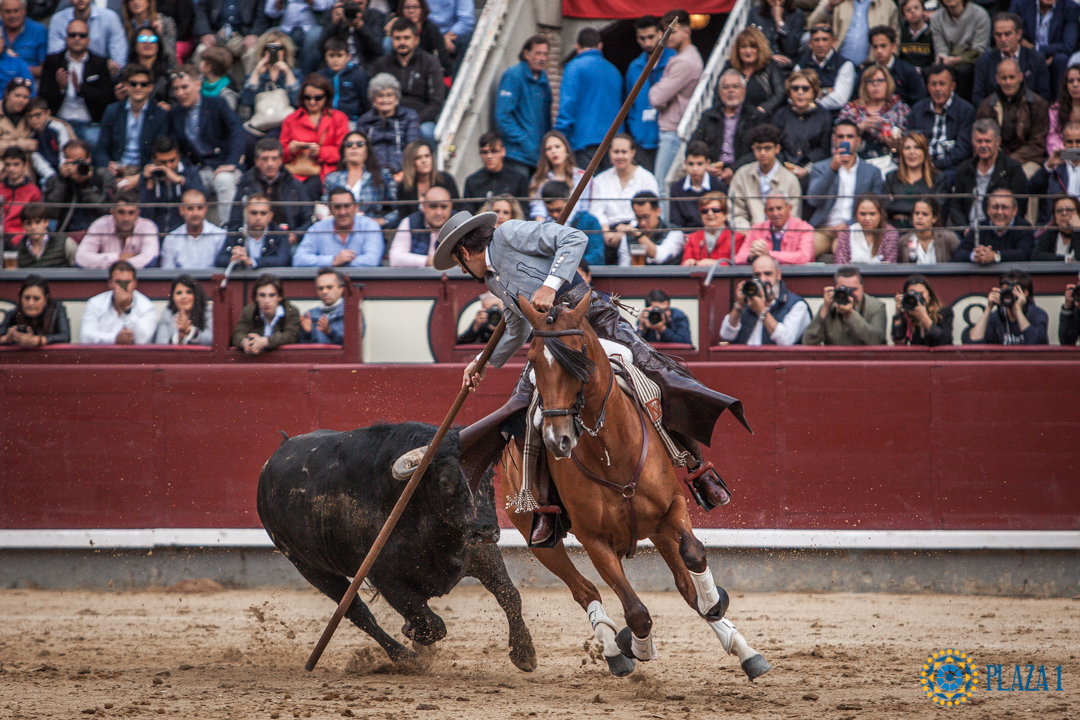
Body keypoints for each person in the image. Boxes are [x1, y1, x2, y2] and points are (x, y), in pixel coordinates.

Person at [434, 209, 748, 539]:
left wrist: (550, 286)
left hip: (592, 318)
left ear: (464, 252)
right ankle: (544, 507)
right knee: (524, 413)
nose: (461, 269)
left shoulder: (509, 233)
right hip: (550, 339)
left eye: (458, 262)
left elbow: (574, 238)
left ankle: (699, 470)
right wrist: (483, 361)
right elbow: (514, 326)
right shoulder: (492, 281)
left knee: (657, 374)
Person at [167, 65, 244, 226]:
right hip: (196, 170)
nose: (180, 93)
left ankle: (230, 232)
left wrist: (232, 162)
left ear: (198, 84)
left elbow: (237, 130)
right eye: (176, 89)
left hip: (221, 166)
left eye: (184, 87)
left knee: (224, 180)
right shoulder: (175, 114)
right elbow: (176, 147)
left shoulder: (217, 104)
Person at [806, 119, 886, 258]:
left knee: (841, 249)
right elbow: (813, 200)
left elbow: (876, 208)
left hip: (857, 227)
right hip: (825, 228)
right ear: (834, 140)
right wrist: (832, 169)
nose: (845, 140)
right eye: (841, 137)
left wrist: (849, 225)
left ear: (858, 141)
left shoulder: (872, 172)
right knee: (807, 251)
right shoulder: (821, 167)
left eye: (850, 137)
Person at [554, 27, 622, 170]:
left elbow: (567, 105)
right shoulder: (614, 71)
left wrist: (559, 137)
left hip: (584, 142)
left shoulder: (574, 68)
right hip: (614, 143)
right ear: (600, 46)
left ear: (576, 46)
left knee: (588, 189)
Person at [40, 20, 115, 146]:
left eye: (82, 35)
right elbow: (43, 96)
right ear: (66, 38)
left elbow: (106, 98)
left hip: (89, 122)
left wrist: (81, 89)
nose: (77, 38)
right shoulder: (53, 61)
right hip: (60, 120)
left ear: (88, 39)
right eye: (72, 35)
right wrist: (61, 88)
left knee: (95, 140)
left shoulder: (99, 63)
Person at [649, 9, 702, 185]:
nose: (667, 36)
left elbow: (656, 97)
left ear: (687, 31)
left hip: (673, 131)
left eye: (673, 31)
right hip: (672, 128)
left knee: (664, 186)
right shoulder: (682, 57)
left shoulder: (685, 61)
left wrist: (659, 93)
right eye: (665, 31)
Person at [975, 57, 1049, 183]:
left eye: (1012, 77)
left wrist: (1010, 162)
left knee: (1023, 180)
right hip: (993, 159)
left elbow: (1037, 144)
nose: (1008, 82)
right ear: (997, 79)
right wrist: (999, 161)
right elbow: (980, 139)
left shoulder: (1037, 104)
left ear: (1020, 77)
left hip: (1027, 161)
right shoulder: (987, 106)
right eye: (1004, 78)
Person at [95, 65, 168, 190]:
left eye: (143, 84)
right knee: (100, 175)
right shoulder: (112, 111)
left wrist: (140, 177)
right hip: (116, 169)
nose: (138, 88)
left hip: (144, 169)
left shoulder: (160, 114)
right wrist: (109, 165)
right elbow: (101, 148)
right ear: (125, 85)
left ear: (150, 87)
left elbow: (160, 153)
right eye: (133, 83)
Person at [372, 18, 444, 141]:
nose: (402, 42)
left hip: (421, 120)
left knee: (427, 133)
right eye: (397, 38)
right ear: (392, 40)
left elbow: (436, 102)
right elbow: (373, 98)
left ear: (416, 40)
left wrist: (413, 120)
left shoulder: (429, 62)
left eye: (406, 38)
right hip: (388, 117)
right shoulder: (382, 64)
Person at [690, 69, 766, 185]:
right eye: (726, 87)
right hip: (711, 173)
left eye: (735, 87)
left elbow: (759, 151)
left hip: (744, 174)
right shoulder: (709, 116)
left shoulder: (754, 117)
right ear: (720, 92)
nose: (731, 91)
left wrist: (733, 169)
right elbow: (694, 145)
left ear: (744, 90)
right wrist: (706, 166)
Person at [228, 136, 312, 239]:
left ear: (281, 160)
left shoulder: (295, 185)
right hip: (254, 239)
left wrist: (295, 236)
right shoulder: (245, 184)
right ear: (256, 161)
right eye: (265, 159)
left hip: (288, 239)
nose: (270, 164)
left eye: (274, 158)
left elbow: (308, 219)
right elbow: (235, 220)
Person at [591, 134, 659, 260]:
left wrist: (626, 231)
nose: (620, 156)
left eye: (624, 152)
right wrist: (606, 233)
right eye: (616, 152)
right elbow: (596, 210)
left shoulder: (647, 178)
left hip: (638, 230)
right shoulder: (600, 180)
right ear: (610, 153)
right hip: (606, 232)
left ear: (633, 153)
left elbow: (650, 211)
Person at [950, 118, 1029, 226]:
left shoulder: (1012, 168)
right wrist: (964, 229)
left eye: (987, 141)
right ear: (973, 142)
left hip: (1000, 230)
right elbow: (956, 206)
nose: (983, 146)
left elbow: (1020, 206)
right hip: (967, 231)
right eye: (979, 141)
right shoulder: (964, 168)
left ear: (998, 141)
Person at [719, 254, 810, 346]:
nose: (762, 279)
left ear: (778, 275)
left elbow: (786, 341)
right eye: (757, 275)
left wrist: (761, 311)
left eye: (768, 274)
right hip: (744, 359)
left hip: (775, 359)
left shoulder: (797, 305)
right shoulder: (748, 301)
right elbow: (726, 335)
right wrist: (739, 306)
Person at [908, 65, 975, 187]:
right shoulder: (917, 110)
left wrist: (936, 165)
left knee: (942, 182)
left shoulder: (966, 110)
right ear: (928, 87)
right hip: (919, 165)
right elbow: (910, 141)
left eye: (942, 84)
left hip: (951, 168)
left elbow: (963, 150)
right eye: (933, 84)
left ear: (952, 86)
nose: (938, 89)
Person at [494, 34, 551, 178]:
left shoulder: (544, 81)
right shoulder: (513, 75)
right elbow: (503, 115)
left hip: (538, 158)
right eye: (538, 53)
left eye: (545, 54)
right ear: (526, 54)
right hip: (517, 157)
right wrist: (524, 141)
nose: (542, 58)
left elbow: (546, 120)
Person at [728, 123, 801, 232]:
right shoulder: (742, 175)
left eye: (767, 148)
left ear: (777, 148)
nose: (762, 153)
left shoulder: (790, 180)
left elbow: (793, 217)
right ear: (753, 148)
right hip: (747, 238)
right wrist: (752, 235)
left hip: (782, 238)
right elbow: (735, 214)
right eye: (758, 148)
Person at [623, 16, 673, 173]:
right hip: (641, 141)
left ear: (660, 34)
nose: (647, 43)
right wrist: (635, 130)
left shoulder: (673, 60)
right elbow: (629, 105)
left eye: (651, 37)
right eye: (642, 38)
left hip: (666, 137)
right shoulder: (634, 67)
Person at [280, 73, 349, 185]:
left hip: (329, 173)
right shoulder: (291, 120)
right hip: (297, 173)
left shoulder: (339, 118)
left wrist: (320, 152)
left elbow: (344, 151)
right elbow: (280, 153)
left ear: (326, 97)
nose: (312, 102)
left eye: (318, 98)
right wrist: (290, 150)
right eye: (307, 97)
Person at [838, 64, 909, 173]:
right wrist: (860, 128)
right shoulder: (850, 109)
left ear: (888, 83)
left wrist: (893, 143)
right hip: (855, 164)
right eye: (871, 81)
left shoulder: (900, 109)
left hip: (890, 163)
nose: (876, 84)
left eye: (880, 81)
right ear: (864, 85)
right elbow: (837, 140)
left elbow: (908, 142)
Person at [972, 12, 1050, 108]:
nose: (1003, 39)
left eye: (1007, 34)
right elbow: (977, 97)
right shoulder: (984, 61)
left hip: (1028, 115)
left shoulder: (1036, 59)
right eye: (998, 35)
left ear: (1018, 34)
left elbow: (1044, 95)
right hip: (994, 115)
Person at [771, 69, 832, 188]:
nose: (800, 92)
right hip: (782, 172)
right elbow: (775, 145)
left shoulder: (824, 116)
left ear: (813, 91)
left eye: (805, 88)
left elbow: (824, 149)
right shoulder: (780, 114)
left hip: (813, 174)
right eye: (795, 88)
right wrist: (785, 166)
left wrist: (806, 169)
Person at [322, 130, 398, 227]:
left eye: (360, 144)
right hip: (339, 230)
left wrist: (382, 221)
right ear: (344, 151)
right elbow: (325, 208)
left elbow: (400, 209)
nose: (354, 147)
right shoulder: (332, 178)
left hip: (369, 231)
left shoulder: (382, 175)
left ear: (367, 150)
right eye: (349, 144)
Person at [295, 185, 384, 267]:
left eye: (347, 206)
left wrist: (340, 262)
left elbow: (372, 260)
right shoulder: (317, 228)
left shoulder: (370, 226)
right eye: (337, 207)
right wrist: (333, 261)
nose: (342, 212)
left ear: (356, 207)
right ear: (330, 209)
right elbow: (298, 260)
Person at [138, 135, 205, 239]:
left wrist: (180, 180)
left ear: (178, 157)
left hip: (182, 236)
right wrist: (148, 184)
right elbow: (145, 213)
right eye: (163, 162)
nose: (168, 166)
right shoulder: (148, 174)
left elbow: (203, 198)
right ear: (154, 160)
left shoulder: (190, 172)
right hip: (155, 235)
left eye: (172, 160)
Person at [801, 265, 887, 345]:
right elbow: (808, 342)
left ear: (862, 287)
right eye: (844, 290)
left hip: (867, 359)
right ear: (835, 289)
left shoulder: (877, 307)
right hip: (836, 359)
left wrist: (850, 314)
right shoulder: (829, 307)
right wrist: (824, 310)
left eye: (853, 289)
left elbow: (877, 341)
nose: (849, 294)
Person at [1011, 0, 1078, 101]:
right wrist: (1037, 57)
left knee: (1061, 59)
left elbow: (1068, 45)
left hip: (1054, 56)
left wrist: (1036, 49)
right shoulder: (1020, 4)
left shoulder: (1070, 7)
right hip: (1027, 54)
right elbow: (1011, 34)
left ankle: (1057, 105)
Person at [79, 259, 157, 344]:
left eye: (127, 282)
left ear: (135, 283)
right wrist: (114, 338)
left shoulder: (146, 306)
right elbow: (85, 337)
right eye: (118, 282)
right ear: (110, 283)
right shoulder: (95, 303)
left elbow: (143, 341)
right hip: (102, 355)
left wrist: (127, 309)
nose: (123, 287)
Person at [356, 72, 420, 174]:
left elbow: (412, 148)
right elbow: (361, 151)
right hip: (372, 173)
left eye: (389, 95)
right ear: (373, 100)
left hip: (403, 172)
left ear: (396, 98)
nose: (385, 100)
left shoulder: (409, 116)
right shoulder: (364, 120)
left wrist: (396, 171)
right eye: (380, 96)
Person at [75, 192, 159, 268]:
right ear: (112, 212)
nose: (126, 218)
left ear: (138, 213)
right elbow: (80, 259)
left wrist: (115, 265)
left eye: (131, 213)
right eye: (121, 212)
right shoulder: (100, 224)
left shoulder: (147, 227)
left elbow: (150, 259)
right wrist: (118, 257)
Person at [965, 269, 1048, 344]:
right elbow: (973, 343)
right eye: (1004, 289)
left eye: (1011, 289)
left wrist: (1018, 309)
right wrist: (988, 309)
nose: (1007, 293)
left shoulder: (1038, 314)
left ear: (1025, 293)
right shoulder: (996, 317)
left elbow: (1035, 341)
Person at [806, 0, 900, 66]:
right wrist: (830, 6)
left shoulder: (888, 5)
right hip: (836, 65)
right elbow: (811, 25)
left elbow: (896, 40)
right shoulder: (833, 1)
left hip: (872, 68)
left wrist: (887, 67)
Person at [882, 131, 947, 227]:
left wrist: (899, 209)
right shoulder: (891, 178)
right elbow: (884, 208)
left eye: (917, 147)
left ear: (924, 151)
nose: (912, 152)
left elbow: (937, 210)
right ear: (902, 152)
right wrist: (921, 209)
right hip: (896, 231)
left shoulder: (938, 178)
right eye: (907, 148)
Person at [953, 188, 1036, 262]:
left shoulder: (1024, 227)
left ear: (1014, 210)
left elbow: (1025, 254)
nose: (999, 212)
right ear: (988, 210)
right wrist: (976, 256)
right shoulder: (979, 227)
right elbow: (958, 254)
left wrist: (996, 255)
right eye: (995, 207)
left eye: (1004, 207)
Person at [930, 0, 990, 101]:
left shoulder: (980, 14)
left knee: (964, 71)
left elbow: (978, 51)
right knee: (932, 72)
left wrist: (954, 60)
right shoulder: (936, 18)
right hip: (948, 61)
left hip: (973, 62)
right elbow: (941, 48)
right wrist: (943, 60)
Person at [45, 138, 109, 233]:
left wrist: (85, 185)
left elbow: (106, 210)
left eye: (80, 161)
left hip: (97, 233)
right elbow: (51, 213)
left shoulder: (102, 176)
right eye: (72, 162)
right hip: (67, 233)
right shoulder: (57, 180)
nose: (76, 167)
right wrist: (62, 181)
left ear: (89, 158)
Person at [527, 130, 592, 221]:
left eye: (557, 147)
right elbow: (538, 211)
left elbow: (585, 209)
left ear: (566, 149)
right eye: (548, 149)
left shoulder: (583, 177)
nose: (553, 151)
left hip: (578, 227)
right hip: (548, 228)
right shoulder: (538, 179)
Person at [192, 0, 267, 76]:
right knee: (201, 50)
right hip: (216, 34)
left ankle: (251, 84)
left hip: (242, 36)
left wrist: (254, 34)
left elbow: (261, 15)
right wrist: (205, 32)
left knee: (252, 52)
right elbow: (200, 11)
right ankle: (201, 85)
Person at [736, 191, 814, 264]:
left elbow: (804, 257)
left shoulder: (805, 228)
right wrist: (751, 256)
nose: (775, 213)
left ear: (789, 208)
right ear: (765, 212)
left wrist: (768, 254)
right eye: (771, 209)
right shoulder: (756, 229)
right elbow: (738, 258)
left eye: (779, 208)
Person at [215, 193, 292, 267]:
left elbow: (283, 260)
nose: (258, 217)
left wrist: (251, 261)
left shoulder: (279, 234)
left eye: (263, 213)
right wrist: (233, 259)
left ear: (270, 216)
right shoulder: (235, 232)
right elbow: (220, 259)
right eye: (253, 213)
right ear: (245, 214)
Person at [47, 0, 128, 71]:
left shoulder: (110, 18)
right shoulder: (57, 20)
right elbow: (55, 57)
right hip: (68, 71)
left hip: (104, 74)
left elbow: (119, 60)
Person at [538, 180, 603, 267]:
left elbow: (597, 257)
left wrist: (566, 264)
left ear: (570, 201)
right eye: (550, 210)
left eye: (559, 210)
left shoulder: (589, 221)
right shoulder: (546, 227)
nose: (554, 215)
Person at [723, 27, 785, 118]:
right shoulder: (730, 66)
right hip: (734, 119)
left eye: (752, 46)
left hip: (763, 119)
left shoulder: (770, 66)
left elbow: (780, 93)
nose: (748, 51)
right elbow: (719, 92)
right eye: (743, 46)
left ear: (760, 48)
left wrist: (763, 109)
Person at [232, 273, 301, 353]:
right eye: (262, 295)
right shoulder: (248, 311)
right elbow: (238, 334)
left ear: (279, 297)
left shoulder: (291, 311)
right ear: (256, 298)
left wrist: (266, 341)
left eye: (271, 295)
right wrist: (244, 342)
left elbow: (291, 335)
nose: (266, 301)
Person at [463, 131, 529, 214]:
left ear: (503, 152)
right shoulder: (472, 182)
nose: (489, 156)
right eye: (484, 152)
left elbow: (524, 212)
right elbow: (468, 213)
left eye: (494, 151)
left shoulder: (519, 179)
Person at [793, 24, 856, 111]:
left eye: (825, 39)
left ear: (833, 41)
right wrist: (828, 90)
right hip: (803, 114)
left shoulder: (845, 65)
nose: (820, 44)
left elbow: (839, 98)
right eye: (816, 40)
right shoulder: (801, 65)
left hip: (833, 116)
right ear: (809, 43)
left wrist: (813, 106)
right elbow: (793, 94)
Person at [860, 25, 926, 107]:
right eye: (875, 47)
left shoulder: (908, 71)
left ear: (893, 47)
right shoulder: (865, 73)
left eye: (883, 46)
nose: (879, 50)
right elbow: (859, 99)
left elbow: (919, 103)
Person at [238, 31, 299, 118]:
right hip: (261, 122)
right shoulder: (254, 75)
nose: (275, 52)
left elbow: (297, 102)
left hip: (287, 122)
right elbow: (246, 103)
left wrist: (288, 74)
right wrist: (256, 73)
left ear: (285, 51)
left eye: (280, 48)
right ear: (264, 51)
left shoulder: (295, 74)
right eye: (270, 48)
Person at [614, 191, 686, 266]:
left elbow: (660, 257)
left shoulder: (674, 233)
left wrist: (639, 235)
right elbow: (624, 269)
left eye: (646, 217)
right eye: (638, 218)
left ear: (658, 211)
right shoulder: (627, 238)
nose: (642, 222)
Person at [159, 188, 226, 268]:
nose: (195, 213)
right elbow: (167, 275)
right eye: (190, 208)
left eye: (200, 208)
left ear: (206, 209)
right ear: (181, 210)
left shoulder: (220, 236)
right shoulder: (171, 239)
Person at [388, 184, 453, 266]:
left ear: (451, 206)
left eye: (444, 207)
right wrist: (429, 261)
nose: (438, 212)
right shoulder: (409, 222)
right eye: (433, 206)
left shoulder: (459, 224)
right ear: (423, 206)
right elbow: (395, 258)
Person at [1029, 121, 1080, 223]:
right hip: (1054, 224)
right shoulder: (1054, 165)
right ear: (1064, 142)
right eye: (1070, 142)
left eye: (1078, 141)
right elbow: (1032, 189)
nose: (1074, 146)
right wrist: (1048, 167)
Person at [265, 0, 333, 76]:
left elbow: (324, 6)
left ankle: (306, 76)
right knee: (269, 36)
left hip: (310, 28)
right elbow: (270, 12)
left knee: (314, 36)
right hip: (285, 28)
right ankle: (275, 76)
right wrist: (279, 2)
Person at [383, 0, 451, 74]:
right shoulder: (397, 26)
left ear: (422, 10)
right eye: (407, 7)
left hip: (426, 67)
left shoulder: (430, 28)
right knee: (387, 41)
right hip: (400, 67)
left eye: (415, 7)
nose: (411, 11)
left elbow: (442, 57)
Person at [318, 0, 386, 74]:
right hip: (336, 67)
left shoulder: (374, 16)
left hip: (364, 67)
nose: (354, 8)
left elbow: (377, 49)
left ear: (366, 3)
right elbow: (321, 48)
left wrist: (361, 27)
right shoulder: (333, 13)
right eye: (351, 4)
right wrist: (334, 25)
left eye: (359, 4)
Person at [0, 274, 69, 346]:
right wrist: (5, 339)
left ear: (46, 299)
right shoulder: (14, 314)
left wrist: (39, 340)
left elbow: (65, 337)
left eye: (36, 298)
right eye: (27, 298)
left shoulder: (56, 310)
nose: (30, 303)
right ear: (20, 298)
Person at [396, 139, 459, 217]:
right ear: (410, 162)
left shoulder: (446, 179)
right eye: (418, 158)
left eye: (427, 156)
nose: (424, 161)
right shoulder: (404, 187)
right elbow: (404, 216)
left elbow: (457, 210)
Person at [681, 192, 743, 266]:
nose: (710, 213)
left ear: (725, 214)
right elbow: (684, 264)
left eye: (715, 210)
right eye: (705, 211)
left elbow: (738, 264)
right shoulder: (692, 238)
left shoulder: (737, 238)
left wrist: (715, 264)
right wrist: (688, 262)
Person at [834, 193, 899, 263]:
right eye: (863, 214)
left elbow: (889, 266)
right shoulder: (847, 233)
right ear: (856, 214)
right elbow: (840, 264)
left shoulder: (890, 233)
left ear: (881, 214)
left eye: (872, 214)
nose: (867, 218)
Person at [317, 36, 369, 121]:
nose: (335, 60)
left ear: (348, 57)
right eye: (331, 56)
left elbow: (365, 102)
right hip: (325, 119)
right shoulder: (320, 76)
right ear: (325, 57)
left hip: (350, 120)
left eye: (339, 56)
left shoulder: (358, 75)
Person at [891, 274, 952, 346]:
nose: (917, 297)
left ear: (929, 294)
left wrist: (925, 318)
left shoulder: (944, 312)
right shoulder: (906, 316)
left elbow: (945, 341)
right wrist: (898, 315)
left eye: (921, 293)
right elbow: (899, 341)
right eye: (913, 294)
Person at [668, 141, 716, 230]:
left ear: (707, 163)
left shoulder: (718, 186)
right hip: (685, 238)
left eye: (700, 164)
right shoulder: (676, 188)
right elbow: (675, 222)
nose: (695, 169)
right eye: (691, 164)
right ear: (685, 163)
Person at [897, 196, 961, 263]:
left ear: (934, 218)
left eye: (925, 214)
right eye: (916, 213)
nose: (919, 217)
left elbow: (961, 262)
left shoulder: (948, 238)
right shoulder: (903, 241)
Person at [154, 274, 213, 345]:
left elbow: (212, 339)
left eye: (189, 292)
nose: (184, 296)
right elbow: (160, 343)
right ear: (173, 297)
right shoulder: (167, 313)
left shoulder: (207, 311)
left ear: (196, 295)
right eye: (179, 293)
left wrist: (190, 331)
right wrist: (178, 337)